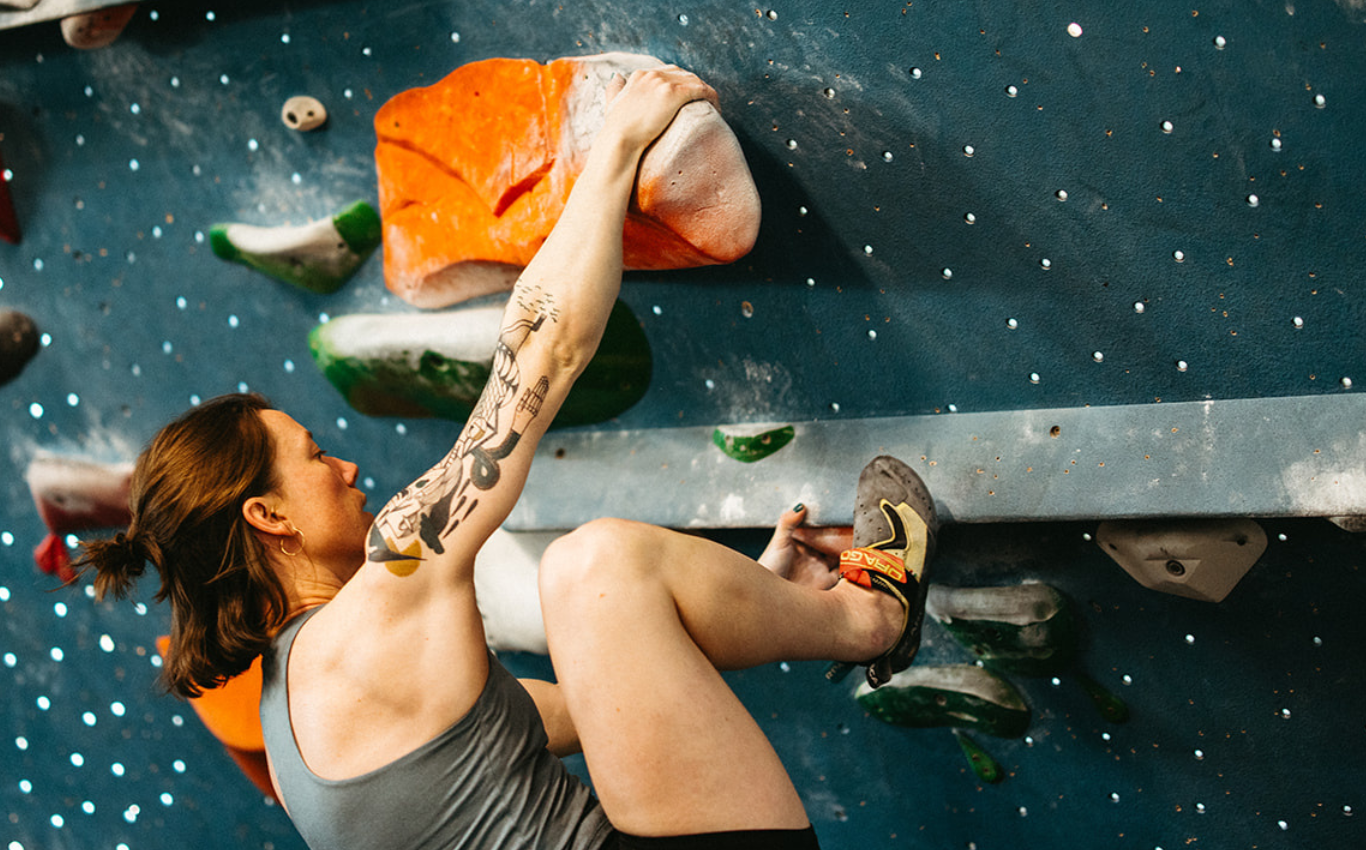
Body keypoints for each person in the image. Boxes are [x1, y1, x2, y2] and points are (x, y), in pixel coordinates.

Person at [74, 66, 940, 850]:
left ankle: (831, 616)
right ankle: (873, 621)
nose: (346, 471)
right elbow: (542, 357)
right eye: (316, 456)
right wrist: (615, 151)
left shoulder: (300, 714)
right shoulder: (376, 609)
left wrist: (751, 597)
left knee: (598, 589)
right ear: (268, 516)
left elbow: (592, 708)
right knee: (593, 562)